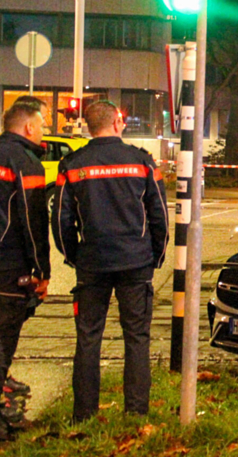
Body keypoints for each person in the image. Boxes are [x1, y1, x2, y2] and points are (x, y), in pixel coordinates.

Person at [52, 101, 168, 422]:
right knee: (137, 337)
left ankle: (84, 415)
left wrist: (75, 256)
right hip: (135, 262)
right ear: (117, 123)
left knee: (88, 338)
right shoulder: (141, 162)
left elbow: (61, 221)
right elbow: (159, 215)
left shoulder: (73, 165)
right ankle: (136, 413)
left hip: (92, 263)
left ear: (89, 127)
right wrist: (155, 256)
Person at [0, 103, 50, 440]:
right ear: (29, 128)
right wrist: (41, 270)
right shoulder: (25, 162)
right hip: (7, 264)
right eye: (42, 125)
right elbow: (33, 221)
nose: (43, 131)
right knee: (3, 339)